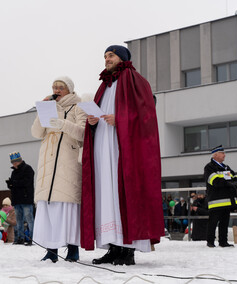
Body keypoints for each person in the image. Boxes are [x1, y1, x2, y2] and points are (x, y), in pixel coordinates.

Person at [81, 45, 165, 266]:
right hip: (103, 146)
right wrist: (92, 121)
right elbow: (100, 113)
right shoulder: (104, 86)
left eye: (111, 55)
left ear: (122, 58)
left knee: (122, 194)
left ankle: (128, 250)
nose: (107, 59)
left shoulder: (135, 80)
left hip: (122, 149)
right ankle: (113, 247)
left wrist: (121, 119)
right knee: (107, 195)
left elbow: (147, 114)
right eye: (105, 56)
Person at [31, 76, 87, 263]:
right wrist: (42, 111)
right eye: (54, 87)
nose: (56, 90)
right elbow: (36, 133)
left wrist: (63, 124)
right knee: (49, 207)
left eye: (60, 87)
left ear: (69, 89)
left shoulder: (79, 106)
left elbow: (83, 132)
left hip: (67, 161)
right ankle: (51, 250)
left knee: (67, 206)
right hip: (48, 161)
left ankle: (73, 249)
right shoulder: (50, 107)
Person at [204, 145, 237, 248]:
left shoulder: (226, 167)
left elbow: (235, 177)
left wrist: (235, 181)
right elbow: (214, 181)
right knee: (213, 222)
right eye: (222, 153)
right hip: (216, 200)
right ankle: (210, 241)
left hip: (227, 201)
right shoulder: (209, 167)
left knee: (224, 223)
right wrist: (229, 183)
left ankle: (223, 242)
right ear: (215, 155)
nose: (224, 155)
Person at [6, 152, 35, 246]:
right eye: (13, 162)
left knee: (29, 219)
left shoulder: (28, 169)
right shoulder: (14, 172)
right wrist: (10, 184)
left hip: (26, 198)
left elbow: (26, 182)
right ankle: (20, 238)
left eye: (15, 162)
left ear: (20, 161)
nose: (14, 164)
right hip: (17, 199)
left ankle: (32, 238)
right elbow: (16, 185)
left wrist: (13, 183)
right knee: (19, 220)